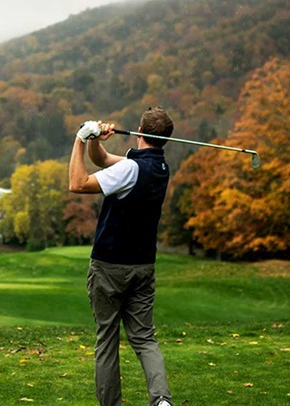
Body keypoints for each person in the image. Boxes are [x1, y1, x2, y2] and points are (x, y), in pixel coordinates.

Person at [68, 107, 174, 406]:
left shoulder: (130, 169)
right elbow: (102, 160)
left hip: (110, 266)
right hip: (143, 267)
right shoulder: (159, 168)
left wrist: (78, 139)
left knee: (107, 339)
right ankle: (162, 401)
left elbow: (77, 183)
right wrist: (95, 139)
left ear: (140, 132)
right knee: (144, 338)